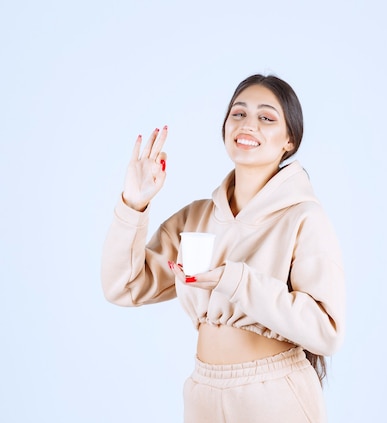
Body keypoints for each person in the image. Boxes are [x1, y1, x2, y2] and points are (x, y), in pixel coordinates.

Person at [101, 74, 346, 422]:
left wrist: (232, 281)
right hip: (203, 395)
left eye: (266, 117)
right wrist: (132, 204)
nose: (248, 125)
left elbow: (326, 332)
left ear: (289, 140)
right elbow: (122, 287)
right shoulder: (196, 217)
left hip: (275, 398)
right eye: (238, 113)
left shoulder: (304, 217)